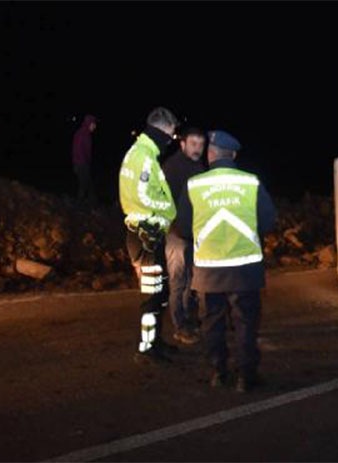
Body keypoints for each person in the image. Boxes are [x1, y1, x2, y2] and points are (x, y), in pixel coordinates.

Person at [180, 130, 276, 391]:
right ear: (233, 155)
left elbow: (183, 228)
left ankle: (218, 373)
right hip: (245, 270)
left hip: (208, 271)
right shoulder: (251, 182)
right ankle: (245, 378)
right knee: (245, 323)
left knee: (213, 323)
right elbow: (268, 221)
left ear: (210, 155)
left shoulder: (195, 185)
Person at [118, 107, 179, 365]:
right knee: (151, 295)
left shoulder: (142, 153)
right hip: (146, 235)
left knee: (159, 293)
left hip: (149, 234)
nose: (171, 139)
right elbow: (143, 196)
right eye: (171, 134)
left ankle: (155, 341)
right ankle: (145, 349)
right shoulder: (143, 157)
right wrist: (169, 208)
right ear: (162, 130)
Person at [161, 126, 206, 345]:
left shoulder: (199, 167)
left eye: (201, 144)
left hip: (193, 234)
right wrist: (176, 227)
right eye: (193, 144)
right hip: (176, 235)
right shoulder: (172, 167)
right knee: (178, 281)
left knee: (192, 281)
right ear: (183, 144)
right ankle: (180, 326)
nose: (198, 148)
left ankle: (189, 319)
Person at [71, 114, 97, 206]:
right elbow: (79, 150)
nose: (95, 126)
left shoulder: (84, 133)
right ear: (89, 124)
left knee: (88, 184)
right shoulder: (83, 134)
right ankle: (78, 205)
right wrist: (83, 163)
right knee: (84, 185)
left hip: (81, 163)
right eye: (93, 124)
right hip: (81, 164)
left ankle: (91, 203)